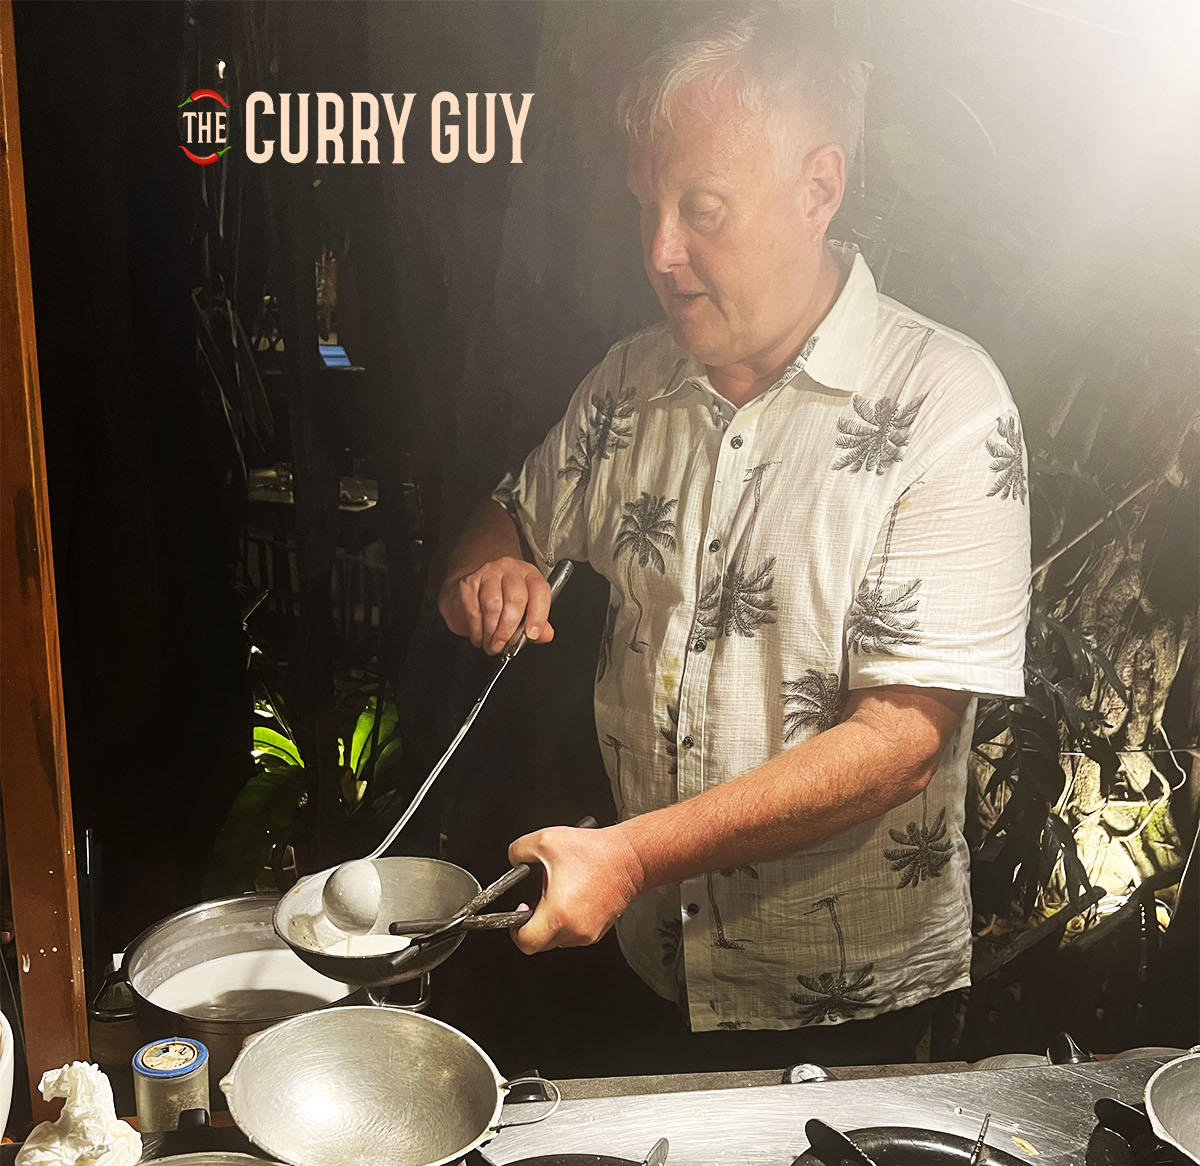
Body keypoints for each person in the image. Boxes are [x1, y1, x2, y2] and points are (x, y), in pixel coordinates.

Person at [437, 4, 1030, 1068]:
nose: (661, 251)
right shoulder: (629, 382)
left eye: (702, 207)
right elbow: (512, 509)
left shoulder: (946, 404)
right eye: (648, 207)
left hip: (850, 1006)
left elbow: (901, 740)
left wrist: (628, 856)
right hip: (646, 965)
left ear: (818, 189)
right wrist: (489, 564)